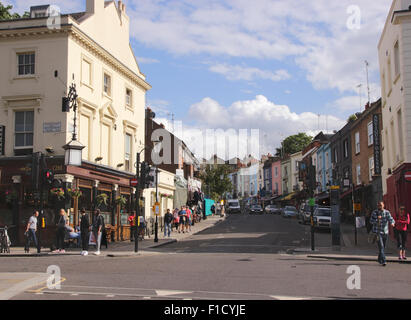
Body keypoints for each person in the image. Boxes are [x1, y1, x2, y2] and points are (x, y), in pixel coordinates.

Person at [370, 201, 395, 266]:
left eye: (381, 205)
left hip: (385, 232)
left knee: (383, 247)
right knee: (381, 247)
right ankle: (383, 261)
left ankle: (379, 259)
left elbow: (390, 218)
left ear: (383, 205)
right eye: (378, 205)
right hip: (378, 232)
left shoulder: (387, 212)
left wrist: (392, 223)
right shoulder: (375, 212)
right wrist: (377, 220)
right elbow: (371, 221)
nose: (379, 206)